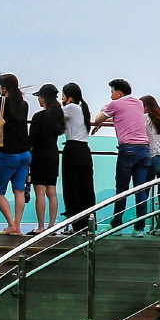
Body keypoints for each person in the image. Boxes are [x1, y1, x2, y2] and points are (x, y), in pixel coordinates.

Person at [97, 78, 151, 229]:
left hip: (127, 150)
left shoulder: (115, 104)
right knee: (140, 189)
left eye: (112, 92)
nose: (111, 96)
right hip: (145, 149)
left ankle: (117, 224)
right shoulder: (139, 103)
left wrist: (104, 108)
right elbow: (125, 119)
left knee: (122, 189)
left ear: (119, 93)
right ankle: (140, 227)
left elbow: (98, 119)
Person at [0, 73, 32, 239]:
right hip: (25, 153)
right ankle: (18, 226)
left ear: (3, 88)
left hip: (7, 154)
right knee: (19, 190)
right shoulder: (24, 104)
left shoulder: (1, 102)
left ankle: (10, 225)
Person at [27, 83, 66, 235]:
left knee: (40, 192)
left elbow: (32, 140)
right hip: (53, 154)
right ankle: (52, 226)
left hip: (39, 155)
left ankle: (41, 226)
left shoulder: (39, 116)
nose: (39, 100)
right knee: (52, 191)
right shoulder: (58, 115)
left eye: (39, 97)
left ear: (43, 98)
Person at [59, 82, 97, 228]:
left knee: (71, 187)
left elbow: (53, 115)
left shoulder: (71, 107)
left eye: (63, 95)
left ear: (69, 97)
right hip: (84, 150)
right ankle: (89, 223)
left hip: (72, 149)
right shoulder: (83, 109)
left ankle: (76, 223)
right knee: (86, 188)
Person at [138, 95, 160, 232]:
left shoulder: (144, 119)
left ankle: (140, 225)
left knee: (143, 193)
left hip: (151, 158)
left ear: (145, 107)